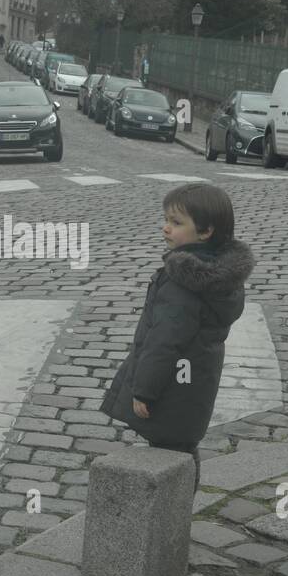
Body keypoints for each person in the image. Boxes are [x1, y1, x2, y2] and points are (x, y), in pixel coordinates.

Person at [99, 183, 254, 489]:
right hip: (194, 385)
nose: (166, 228)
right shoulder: (219, 277)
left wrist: (143, 390)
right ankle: (179, 510)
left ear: (206, 231)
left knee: (167, 450)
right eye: (166, 220)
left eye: (176, 223)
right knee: (182, 446)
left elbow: (165, 340)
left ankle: (165, 516)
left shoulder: (183, 283)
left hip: (170, 387)